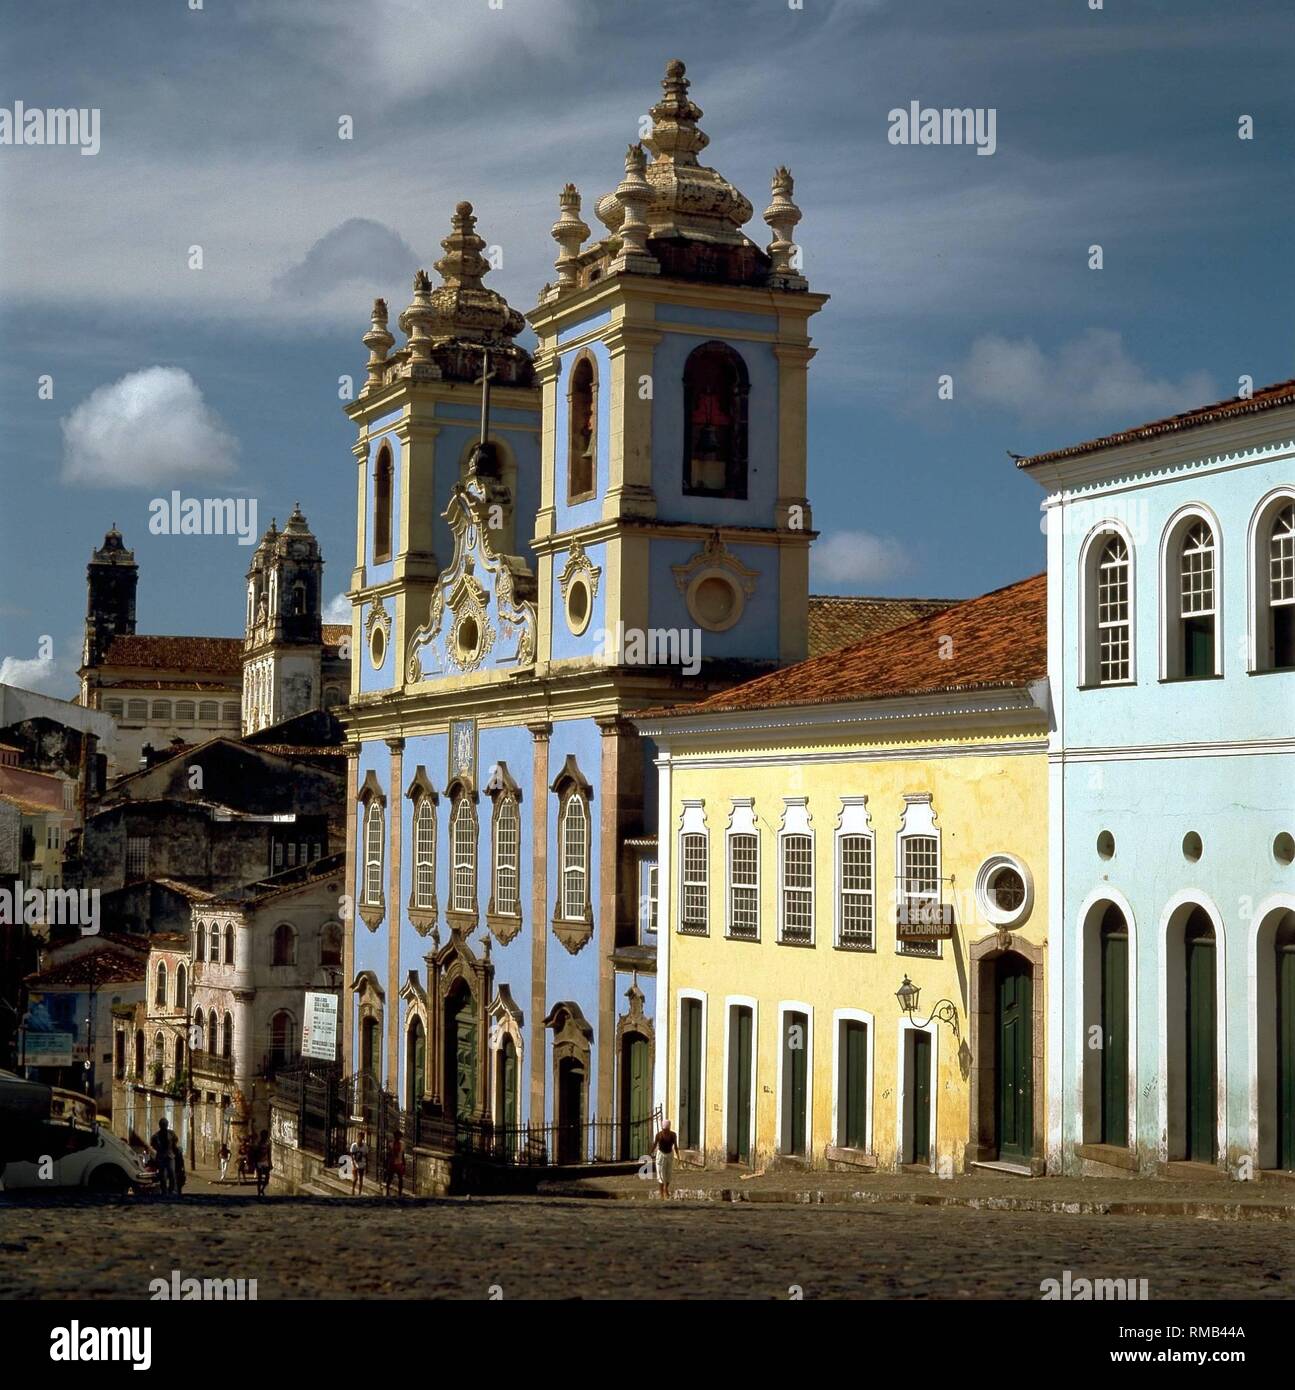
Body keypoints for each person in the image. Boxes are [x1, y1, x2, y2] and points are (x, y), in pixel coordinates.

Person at [650, 1118, 679, 1200]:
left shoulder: (673, 1135)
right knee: (661, 1174)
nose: (665, 1131)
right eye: (664, 1129)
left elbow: (675, 1146)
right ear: (662, 1128)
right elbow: (655, 1145)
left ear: (669, 1128)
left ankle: (666, 1188)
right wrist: (650, 1153)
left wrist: (678, 1155)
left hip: (669, 1154)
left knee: (668, 1174)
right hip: (661, 1155)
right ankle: (662, 1193)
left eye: (667, 1129)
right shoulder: (659, 1135)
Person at [150, 1118, 177, 1196]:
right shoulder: (156, 1136)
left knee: (172, 1172)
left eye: (165, 1124)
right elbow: (153, 1144)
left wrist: (173, 1150)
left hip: (170, 1156)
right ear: (160, 1125)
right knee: (163, 1175)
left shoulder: (171, 1133)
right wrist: (159, 1150)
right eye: (163, 1124)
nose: (164, 1126)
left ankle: (171, 1190)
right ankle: (164, 1191)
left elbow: (175, 1141)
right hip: (161, 1157)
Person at [348, 1130, 368, 1196]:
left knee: (361, 1178)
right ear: (357, 1137)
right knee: (355, 1178)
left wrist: (366, 1164)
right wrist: (354, 1164)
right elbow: (352, 1155)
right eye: (359, 1137)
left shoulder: (365, 1146)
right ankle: (353, 1189)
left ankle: (359, 1192)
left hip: (361, 1163)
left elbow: (366, 1155)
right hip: (355, 1162)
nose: (360, 1139)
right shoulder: (354, 1145)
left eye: (362, 1137)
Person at [254, 1129, 272, 1198]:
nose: (265, 1137)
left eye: (266, 1135)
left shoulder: (267, 1144)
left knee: (267, 1178)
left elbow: (269, 1154)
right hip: (259, 1162)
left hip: (265, 1162)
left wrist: (270, 1163)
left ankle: (262, 1189)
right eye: (264, 1135)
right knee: (259, 1178)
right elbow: (255, 1154)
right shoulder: (258, 1144)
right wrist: (255, 1164)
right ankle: (259, 1192)